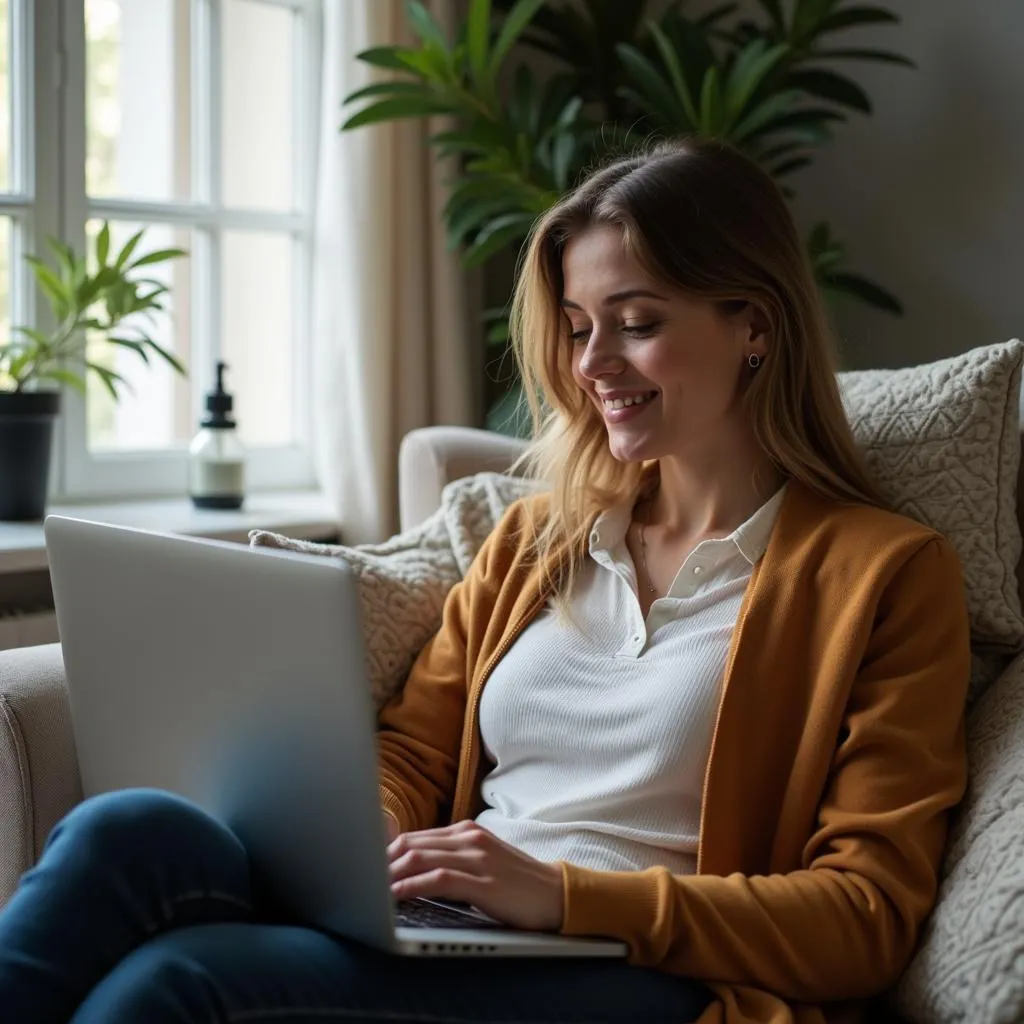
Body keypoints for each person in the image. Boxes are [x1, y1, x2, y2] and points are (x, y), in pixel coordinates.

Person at [0, 137, 969, 1024]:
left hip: (641, 970)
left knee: (180, 983)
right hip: (456, 917)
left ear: (751, 325)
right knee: (124, 831)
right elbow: (415, 751)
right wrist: (362, 841)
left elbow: (865, 913)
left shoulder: (883, 576)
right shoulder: (536, 538)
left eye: (634, 323)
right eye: (579, 325)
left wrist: (558, 894)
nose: (591, 364)